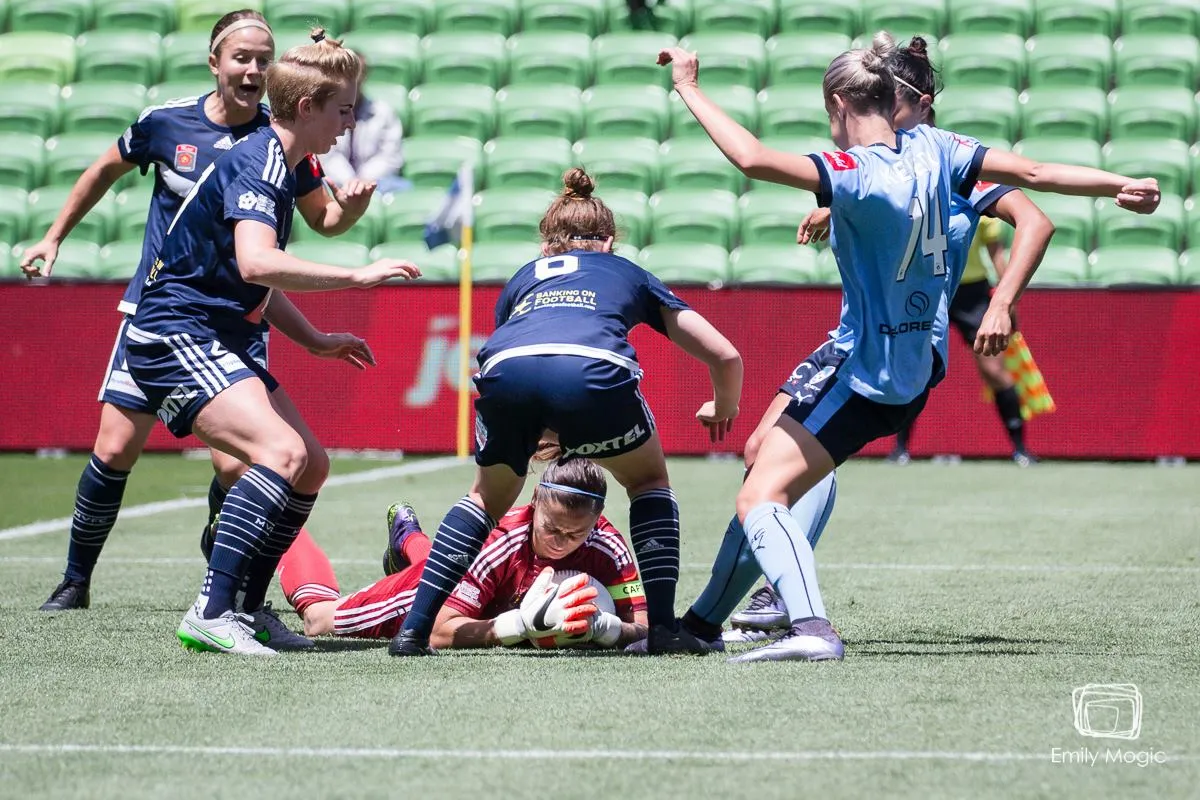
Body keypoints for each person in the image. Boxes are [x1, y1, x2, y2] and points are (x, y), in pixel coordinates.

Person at [658, 39, 1158, 662]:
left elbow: (751, 157)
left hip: (870, 365)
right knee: (769, 457)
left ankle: (805, 623)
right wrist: (1119, 185)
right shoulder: (938, 150)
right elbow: (1034, 174)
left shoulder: (856, 171)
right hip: (904, 358)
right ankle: (705, 624)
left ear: (841, 103)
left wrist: (687, 86)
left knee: (762, 493)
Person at [20, 11, 379, 615]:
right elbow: (256, 264)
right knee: (124, 449)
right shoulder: (191, 131)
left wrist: (319, 322)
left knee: (285, 463)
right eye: (242, 56)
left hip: (227, 319)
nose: (254, 69)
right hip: (172, 317)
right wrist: (53, 236)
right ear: (215, 63)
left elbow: (302, 237)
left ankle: (237, 593)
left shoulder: (280, 150)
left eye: (265, 58)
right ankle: (112, 587)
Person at [122, 29, 420, 656]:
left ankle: (247, 610)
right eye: (344, 109)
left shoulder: (280, 162)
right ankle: (211, 610)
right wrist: (358, 275)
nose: (351, 121)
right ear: (308, 108)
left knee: (310, 463)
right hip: (174, 334)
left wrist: (313, 340)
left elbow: (249, 277)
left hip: (212, 335)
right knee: (279, 453)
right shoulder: (260, 161)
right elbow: (257, 265)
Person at [388, 167, 743, 657]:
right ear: (610, 241)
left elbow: (527, 358)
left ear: (546, 244)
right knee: (648, 484)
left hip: (503, 368)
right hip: (593, 371)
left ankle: (414, 631)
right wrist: (723, 404)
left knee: (483, 500)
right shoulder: (626, 271)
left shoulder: (522, 278)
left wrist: (546, 424)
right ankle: (662, 629)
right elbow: (724, 354)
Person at [278, 457, 648, 649]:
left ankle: (408, 539)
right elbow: (438, 631)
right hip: (453, 587)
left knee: (461, 573)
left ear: (598, 520)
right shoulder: (499, 542)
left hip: (481, 592)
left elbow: (646, 627)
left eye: (576, 533)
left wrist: (606, 628)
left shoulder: (608, 545)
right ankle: (281, 524)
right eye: (551, 528)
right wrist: (519, 625)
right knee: (319, 621)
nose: (561, 541)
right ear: (535, 502)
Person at [320, 56, 409, 195]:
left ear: (364, 75)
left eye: (356, 73)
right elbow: (328, 155)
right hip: (337, 181)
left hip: (377, 183)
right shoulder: (327, 113)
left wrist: (362, 180)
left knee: (404, 188)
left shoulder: (383, 112)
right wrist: (349, 181)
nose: (352, 80)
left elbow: (391, 157)